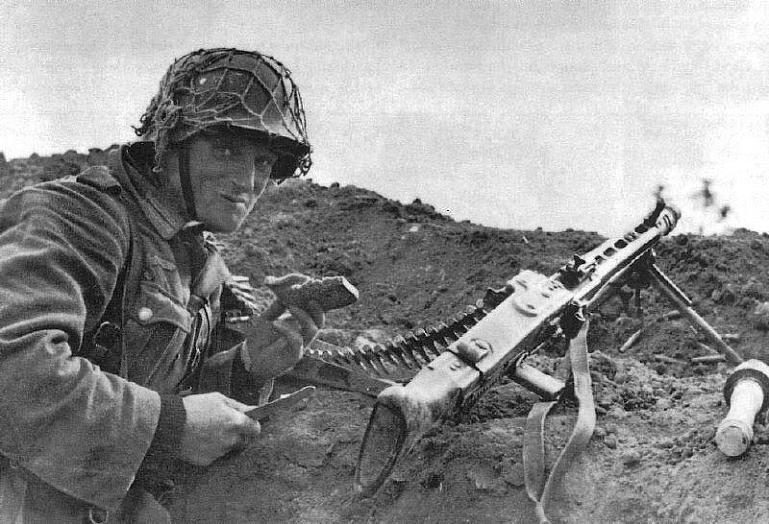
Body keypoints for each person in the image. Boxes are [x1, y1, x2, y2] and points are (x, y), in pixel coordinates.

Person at [0, 48, 324, 522]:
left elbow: (166, 390)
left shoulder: (198, 260)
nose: (247, 180)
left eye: (264, 161)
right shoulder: (77, 217)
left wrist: (249, 367)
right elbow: (12, 369)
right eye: (226, 148)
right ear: (171, 141)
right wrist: (171, 427)